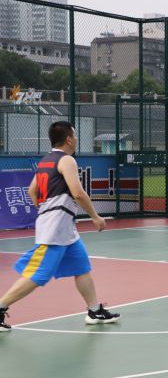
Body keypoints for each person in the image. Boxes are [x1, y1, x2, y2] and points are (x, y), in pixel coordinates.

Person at [0, 121, 120, 332]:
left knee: (82, 267)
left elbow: (31, 191)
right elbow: (78, 193)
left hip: (64, 228)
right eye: (75, 135)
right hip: (55, 229)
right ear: (69, 139)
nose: (76, 139)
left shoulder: (46, 161)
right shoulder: (66, 160)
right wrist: (95, 216)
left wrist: (45, 210)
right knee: (38, 274)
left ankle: (94, 310)